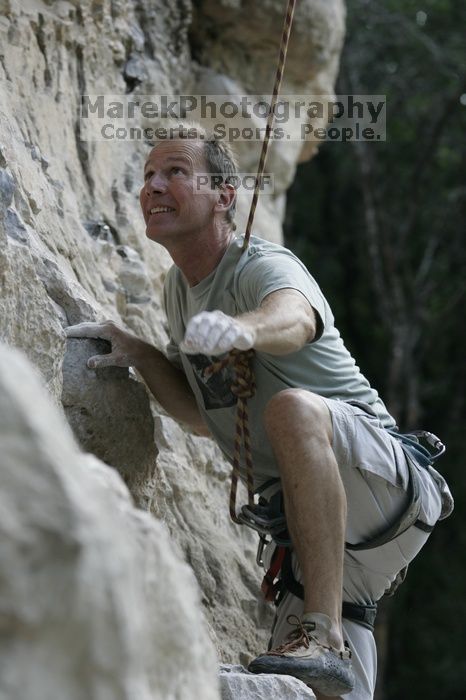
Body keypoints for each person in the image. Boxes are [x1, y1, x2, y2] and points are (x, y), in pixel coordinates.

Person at [66, 124, 453, 699]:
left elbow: (294, 318)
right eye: (148, 174)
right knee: (312, 689)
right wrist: (141, 353)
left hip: (382, 484)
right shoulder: (178, 290)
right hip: (317, 534)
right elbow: (203, 417)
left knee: (293, 410)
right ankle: (329, 640)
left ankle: (321, 632)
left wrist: (242, 329)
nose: (153, 185)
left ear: (224, 195)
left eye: (175, 171)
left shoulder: (259, 264)